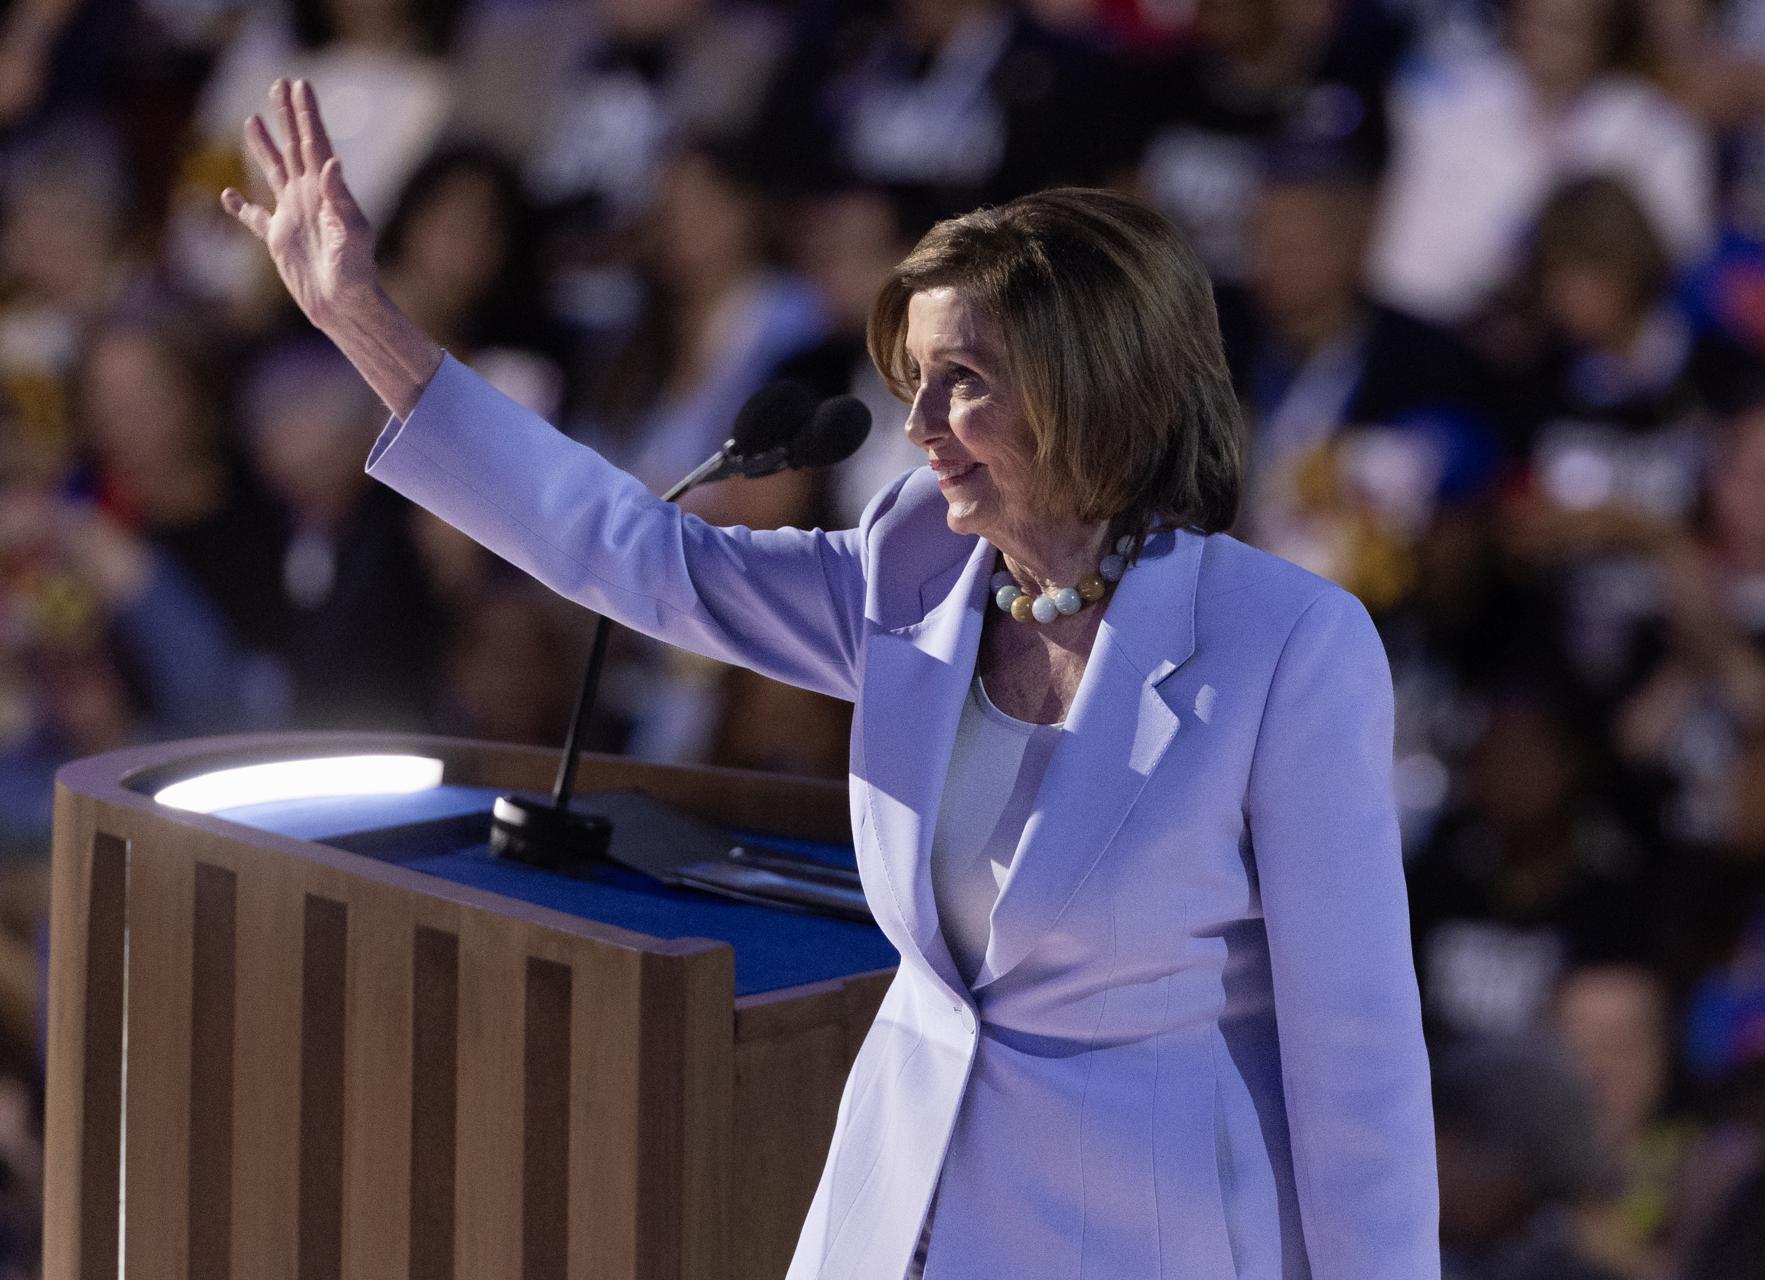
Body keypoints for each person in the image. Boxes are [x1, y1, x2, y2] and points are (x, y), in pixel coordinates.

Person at [220, 77, 1440, 1279]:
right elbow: (638, 555)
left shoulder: (1287, 646)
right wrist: (362, 321)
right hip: (890, 1227)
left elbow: (1356, 1060)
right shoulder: (908, 579)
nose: (920, 425)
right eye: (917, 380)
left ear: (1089, 388)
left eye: (966, 380)